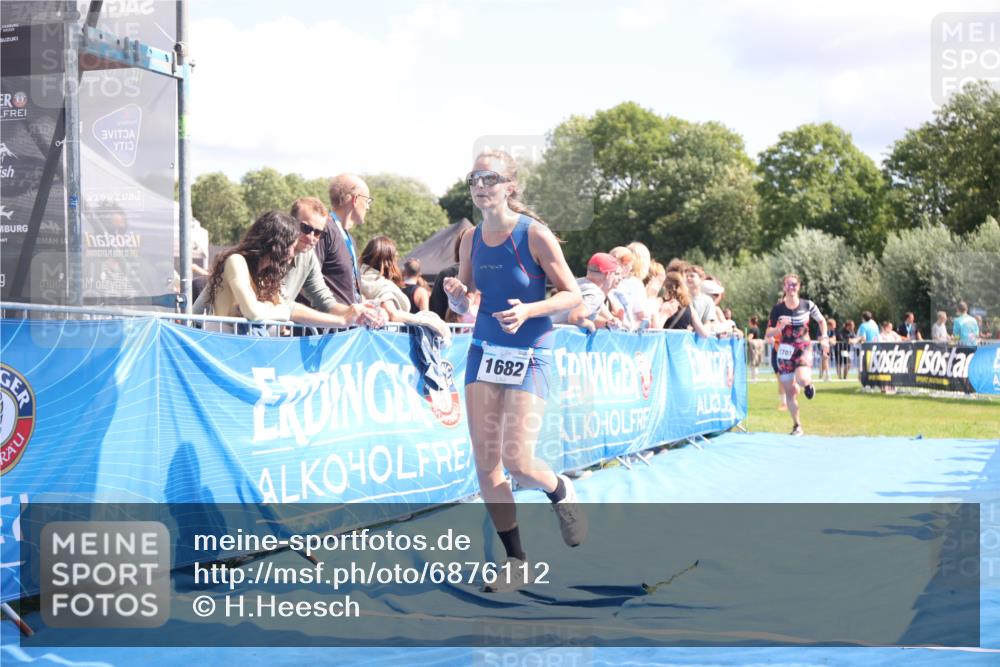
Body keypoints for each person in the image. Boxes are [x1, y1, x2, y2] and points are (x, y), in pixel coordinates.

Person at [442, 149, 586, 593]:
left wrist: (531, 309)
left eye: (491, 177)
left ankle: (559, 490)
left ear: (510, 186)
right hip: (484, 349)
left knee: (517, 461)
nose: (481, 184)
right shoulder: (469, 239)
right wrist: (456, 295)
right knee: (487, 466)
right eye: (474, 177)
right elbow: (469, 301)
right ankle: (517, 559)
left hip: (530, 351)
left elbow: (573, 296)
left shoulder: (535, 235)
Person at [193, 211, 359, 333]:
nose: (294, 252)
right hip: (224, 350)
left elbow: (285, 309)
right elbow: (254, 313)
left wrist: (343, 320)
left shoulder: (268, 276)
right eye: (292, 246)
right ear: (278, 245)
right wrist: (273, 310)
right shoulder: (236, 261)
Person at [288, 197, 378, 327]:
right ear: (290, 222)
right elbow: (280, 303)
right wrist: (341, 321)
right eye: (305, 228)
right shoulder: (272, 247)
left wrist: (354, 310)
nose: (311, 237)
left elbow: (324, 299)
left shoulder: (309, 257)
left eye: (318, 233)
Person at [765, 274, 829, 436]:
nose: (791, 288)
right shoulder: (778, 309)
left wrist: (825, 338)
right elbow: (768, 333)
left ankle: (808, 385)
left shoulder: (807, 305)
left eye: (794, 285)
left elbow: (821, 321)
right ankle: (797, 425)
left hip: (803, 347)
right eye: (788, 285)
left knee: (801, 379)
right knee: (790, 392)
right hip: (785, 351)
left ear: (799, 287)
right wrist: (778, 329)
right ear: (784, 287)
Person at [359, 236, 450, 341]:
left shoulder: (357, 278)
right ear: (390, 260)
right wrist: (430, 322)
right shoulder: (380, 284)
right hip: (383, 342)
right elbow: (393, 314)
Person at [315, 174, 373, 306]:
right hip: (325, 325)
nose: (368, 207)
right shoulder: (323, 230)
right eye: (367, 200)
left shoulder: (349, 239)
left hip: (347, 325)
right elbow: (306, 280)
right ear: (355, 199)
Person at [552, 252, 623, 332]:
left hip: (546, 332)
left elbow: (587, 316)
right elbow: (575, 317)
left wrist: (607, 323)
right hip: (559, 338)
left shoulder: (577, 283)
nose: (619, 278)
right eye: (615, 274)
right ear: (608, 274)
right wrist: (590, 325)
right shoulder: (596, 294)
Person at [654, 271, 711, 336]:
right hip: (683, 345)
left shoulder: (660, 303)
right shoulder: (689, 307)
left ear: (664, 286)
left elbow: (655, 331)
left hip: (664, 345)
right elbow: (704, 334)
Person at [685, 265, 717, 332]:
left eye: (692, 276)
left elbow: (708, 323)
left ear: (701, 279)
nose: (688, 278)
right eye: (686, 276)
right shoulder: (680, 298)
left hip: (698, 339)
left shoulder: (708, 301)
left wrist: (697, 330)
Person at [747, 316, 763, 381]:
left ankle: (753, 378)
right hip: (759, 346)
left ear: (751, 322)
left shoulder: (752, 329)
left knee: (753, 362)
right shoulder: (758, 329)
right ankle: (755, 377)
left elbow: (749, 338)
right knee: (757, 362)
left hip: (754, 347)